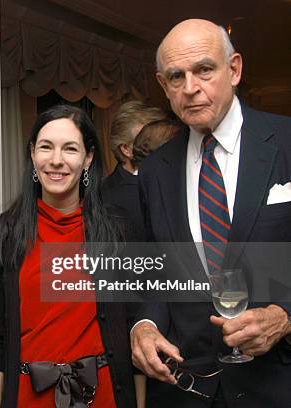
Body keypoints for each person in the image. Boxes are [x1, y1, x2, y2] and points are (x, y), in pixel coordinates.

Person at [131, 19, 291, 407]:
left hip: (277, 385)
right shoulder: (155, 171)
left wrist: (285, 317)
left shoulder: (286, 143)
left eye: (204, 69)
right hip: (184, 388)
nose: (190, 88)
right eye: (175, 76)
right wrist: (145, 325)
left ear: (234, 69)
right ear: (163, 84)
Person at [0, 104, 136, 408]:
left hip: (102, 395)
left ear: (88, 158)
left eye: (70, 149)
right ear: (32, 154)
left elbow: (133, 326)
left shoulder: (117, 231)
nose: (56, 160)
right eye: (46, 147)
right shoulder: (6, 232)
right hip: (28, 396)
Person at [102, 101, 166, 240]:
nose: (160, 145)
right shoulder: (106, 198)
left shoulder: (174, 176)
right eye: (148, 140)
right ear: (126, 149)